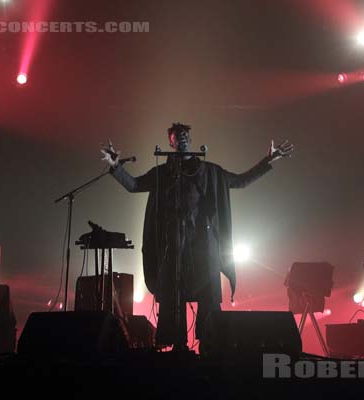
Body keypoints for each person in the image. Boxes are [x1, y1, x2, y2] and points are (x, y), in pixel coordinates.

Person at [101, 123, 293, 350]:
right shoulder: (162, 173)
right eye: (176, 136)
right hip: (174, 245)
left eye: (185, 135)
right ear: (171, 142)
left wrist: (267, 161)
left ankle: (211, 345)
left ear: (189, 140)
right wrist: (115, 168)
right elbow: (134, 185)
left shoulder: (209, 171)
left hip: (204, 245)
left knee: (208, 295)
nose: (181, 138)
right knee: (174, 293)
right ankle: (178, 345)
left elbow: (240, 181)